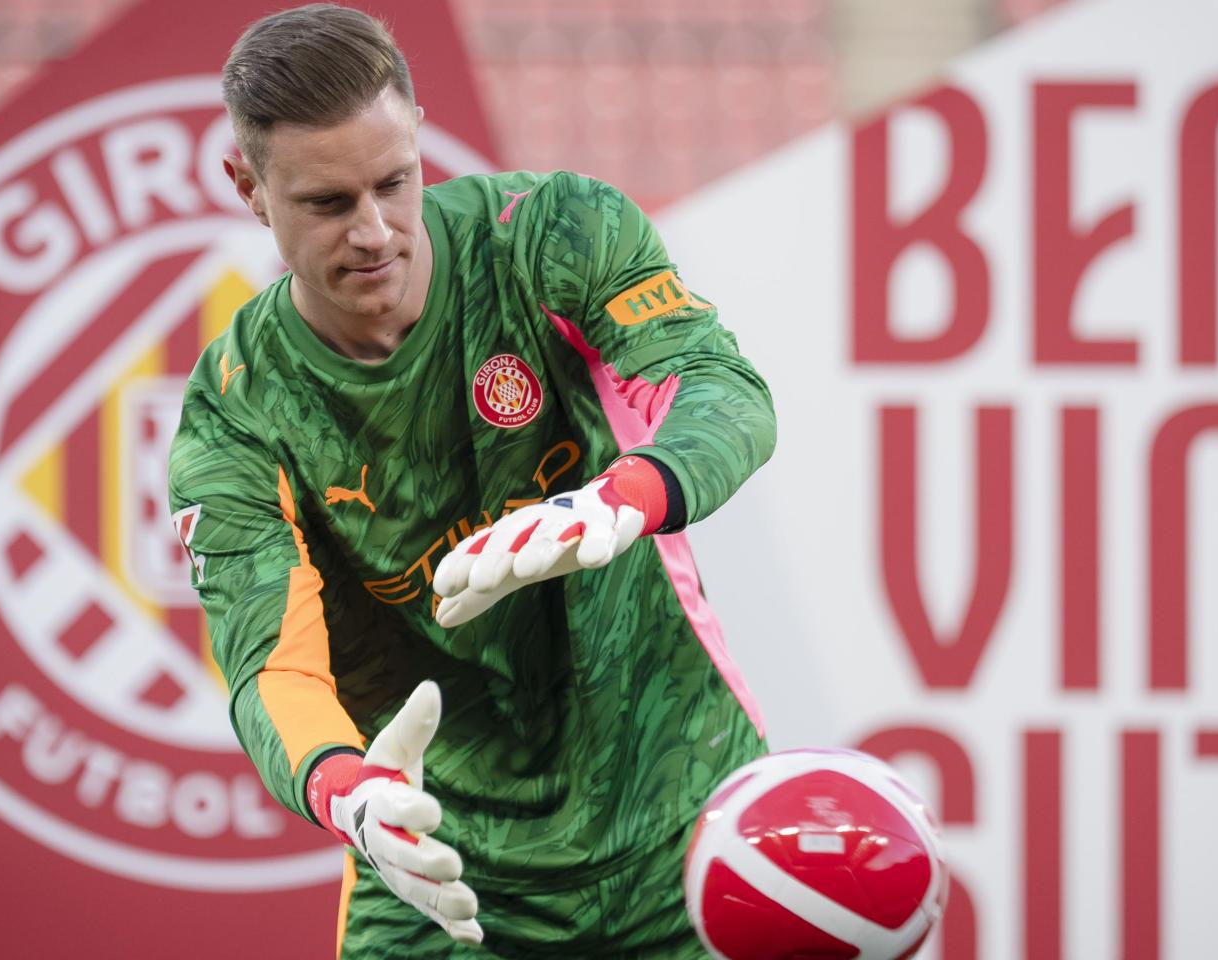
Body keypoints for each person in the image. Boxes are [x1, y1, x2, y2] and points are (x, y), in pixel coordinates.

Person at [168, 4, 776, 955]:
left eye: (393, 184)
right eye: (328, 204)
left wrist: (625, 497)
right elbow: (269, 667)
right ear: (248, 186)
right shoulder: (237, 411)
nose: (374, 233)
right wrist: (353, 794)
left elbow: (722, 392)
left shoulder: (550, 235)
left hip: (685, 822)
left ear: (416, 133)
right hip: (437, 874)